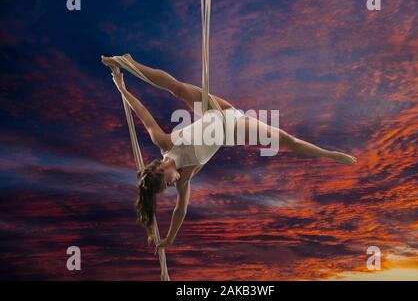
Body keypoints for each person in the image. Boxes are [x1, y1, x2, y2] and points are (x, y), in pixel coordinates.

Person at [101, 54, 357, 252]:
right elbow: (180, 212)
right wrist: (169, 239)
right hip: (231, 129)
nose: (171, 186)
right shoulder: (186, 175)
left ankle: (128, 62)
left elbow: (142, 114)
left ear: (160, 169)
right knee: (284, 140)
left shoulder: (164, 142)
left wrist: (122, 88)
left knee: (176, 88)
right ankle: (331, 155)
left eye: (165, 184)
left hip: (217, 111)